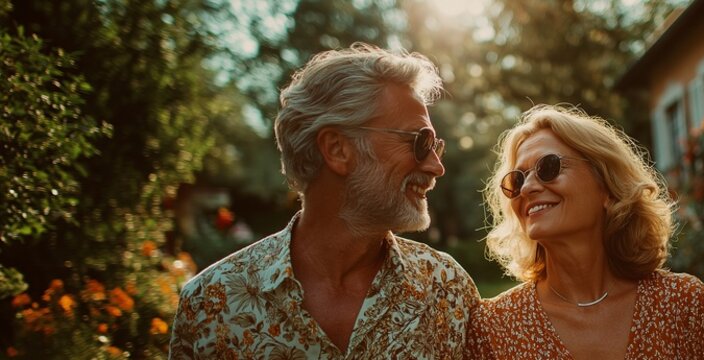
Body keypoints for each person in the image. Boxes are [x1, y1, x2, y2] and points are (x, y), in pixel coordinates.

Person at [169, 43, 480, 359]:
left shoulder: (448, 290)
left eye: (435, 146)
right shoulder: (211, 304)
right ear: (337, 149)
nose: (436, 166)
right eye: (419, 142)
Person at [465, 105, 704, 359]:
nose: (527, 188)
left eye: (547, 167)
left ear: (606, 186)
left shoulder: (682, 302)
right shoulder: (492, 328)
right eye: (517, 180)